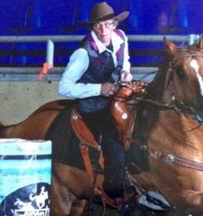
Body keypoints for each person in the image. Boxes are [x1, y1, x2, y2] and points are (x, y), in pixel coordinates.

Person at [58, 2, 133, 200]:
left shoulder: (121, 38)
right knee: (113, 141)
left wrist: (126, 72)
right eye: (98, 26)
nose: (103, 30)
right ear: (92, 28)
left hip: (116, 98)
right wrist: (98, 89)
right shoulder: (83, 53)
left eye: (108, 24)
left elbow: (125, 60)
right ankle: (115, 192)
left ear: (114, 25)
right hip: (92, 106)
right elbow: (64, 87)